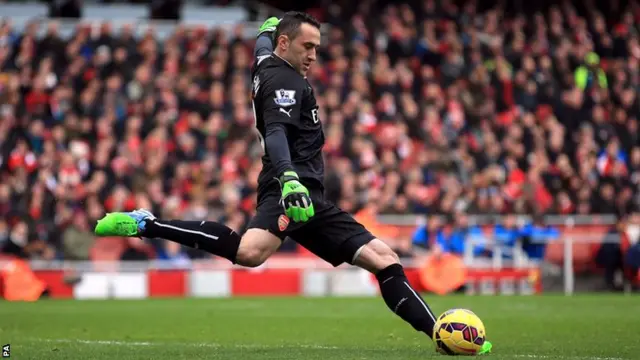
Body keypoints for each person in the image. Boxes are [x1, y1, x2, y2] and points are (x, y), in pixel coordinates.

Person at [94, 12, 492, 354]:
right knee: (250, 254)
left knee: (385, 260)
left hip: (312, 197)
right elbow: (278, 134)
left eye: (317, 48)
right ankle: (148, 224)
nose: (313, 56)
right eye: (308, 47)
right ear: (286, 44)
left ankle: (438, 333)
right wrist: (289, 181)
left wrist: (266, 30)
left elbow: (261, 44)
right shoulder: (286, 82)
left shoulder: (267, 62)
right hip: (292, 190)